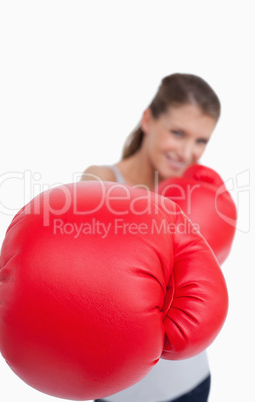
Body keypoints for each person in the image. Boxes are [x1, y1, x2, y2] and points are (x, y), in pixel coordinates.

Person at [81, 73, 221, 402]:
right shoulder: (103, 180)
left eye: (201, 141)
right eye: (177, 132)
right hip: (121, 390)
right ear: (147, 119)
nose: (188, 152)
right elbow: (97, 279)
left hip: (191, 380)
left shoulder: (196, 192)